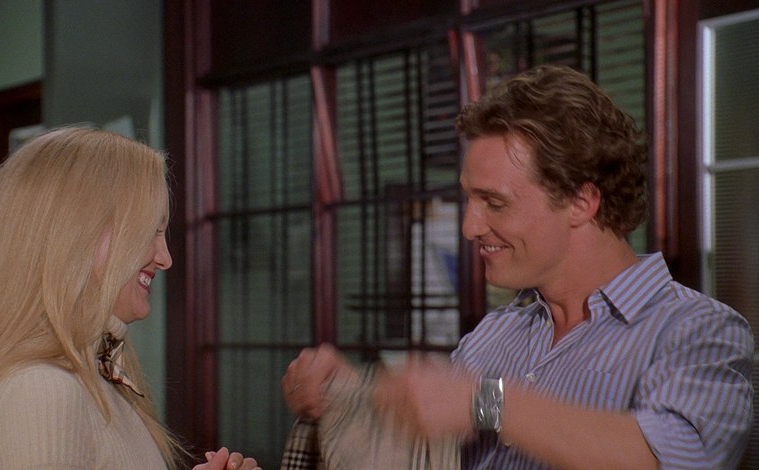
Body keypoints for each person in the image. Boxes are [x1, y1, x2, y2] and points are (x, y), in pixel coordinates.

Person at [281, 64, 753, 469]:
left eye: (494, 202)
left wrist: (485, 402)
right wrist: (353, 395)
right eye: (469, 200)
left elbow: (677, 458)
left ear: (581, 201)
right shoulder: (492, 336)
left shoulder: (698, 331)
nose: (469, 226)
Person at [0, 127, 260, 469]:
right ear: (77, 234)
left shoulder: (85, 375)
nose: (165, 258)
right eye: (149, 230)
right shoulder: (41, 390)